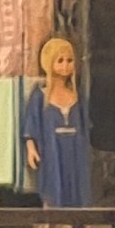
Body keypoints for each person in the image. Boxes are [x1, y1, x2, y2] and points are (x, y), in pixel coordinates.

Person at [27, 32, 92, 211]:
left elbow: (85, 125)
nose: (65, 66)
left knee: (75, 182)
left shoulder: (76, 96)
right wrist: (31, 148)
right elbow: (31, 125)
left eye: (69, 60)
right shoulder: (40, 96)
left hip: (75, 149)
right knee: (54, 185)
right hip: (51, 149)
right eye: (60, 60)